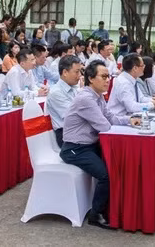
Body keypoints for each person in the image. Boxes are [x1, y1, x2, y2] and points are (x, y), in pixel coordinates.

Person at [60, 60, 141, 229]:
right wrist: (122, 121)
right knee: (106, 175)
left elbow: (110, 117)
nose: (108, 80)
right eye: (103, 77)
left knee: (118, 164)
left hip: (90, 145)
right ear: (90, 78)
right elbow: (104, 125)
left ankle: (118, 208)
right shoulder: (85, 98)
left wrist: (130, 120)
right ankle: (96, 214)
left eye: (109, 76)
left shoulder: (98, 96)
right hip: (75, 149)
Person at [46, 55, 83, 147]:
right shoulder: (56, 93)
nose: (80, 75)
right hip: (66, 136)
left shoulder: (74, 87)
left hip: (78, 130)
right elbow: (73, 117)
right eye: (77, 72)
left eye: (80, 71)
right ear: (65, 72)